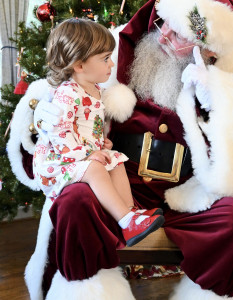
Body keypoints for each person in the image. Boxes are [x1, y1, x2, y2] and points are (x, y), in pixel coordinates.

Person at [7, 0, 233, 299]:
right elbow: (63, 79)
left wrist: (222, 102)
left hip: (189, 193)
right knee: (74, 200)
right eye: (164, 24)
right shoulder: (117, 47)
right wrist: (43, 110)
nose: (162, 37)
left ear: (207, 48)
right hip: (117, 189)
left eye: (179, 35)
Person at [33, 18, 164, 248]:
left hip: (81, 153)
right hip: (59, 162)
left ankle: (131, 216)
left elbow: (85, 126)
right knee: (95, 167)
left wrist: (99, 142)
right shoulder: (68, 94)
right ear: (79, 65)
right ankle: (126, 218)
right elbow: (58, 132)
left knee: (116, 160)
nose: (111, 65)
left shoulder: (95, 90)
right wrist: (86, 155)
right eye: (105, 59)